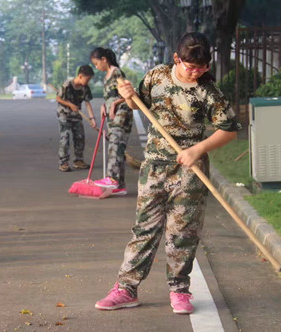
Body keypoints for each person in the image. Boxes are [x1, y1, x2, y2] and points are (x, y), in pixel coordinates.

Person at [95, 32, 241, 314]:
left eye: (203, 67)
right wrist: (129, 97)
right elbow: (141, 107)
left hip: (190, 170)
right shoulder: (156, 76)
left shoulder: (208, 92)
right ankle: (126, 288)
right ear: (177, 59)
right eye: (191, 67)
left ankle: (179, 290)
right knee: (144, 230)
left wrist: (197, 150)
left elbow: (229, 130)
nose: (197, 72)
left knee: (182, 232)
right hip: (155, 167)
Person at [90, 48, 132, 196]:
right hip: (111, 116)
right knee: (117, 148)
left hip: (121, 114)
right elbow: (110, 96)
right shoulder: (106, 77)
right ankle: (119, 185)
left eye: (96, 63)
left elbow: (128, 93)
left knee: (115, 147)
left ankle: (111, 178)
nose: (96, 67)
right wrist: (105, 105)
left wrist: (115, 104)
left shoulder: (117, 73)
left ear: (104, 59)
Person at [56, 65, 97, 172]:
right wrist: (70, 105)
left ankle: (78, 160)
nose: (88, 82)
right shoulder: (67, 85)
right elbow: (58, 98)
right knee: (65, 137)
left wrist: (92, 119)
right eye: (87, 79)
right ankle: (63, 162)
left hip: (76, 115)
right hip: (64, 114)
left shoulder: (85, 88)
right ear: (80, 76)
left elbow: (88, 103)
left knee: (80, 136)